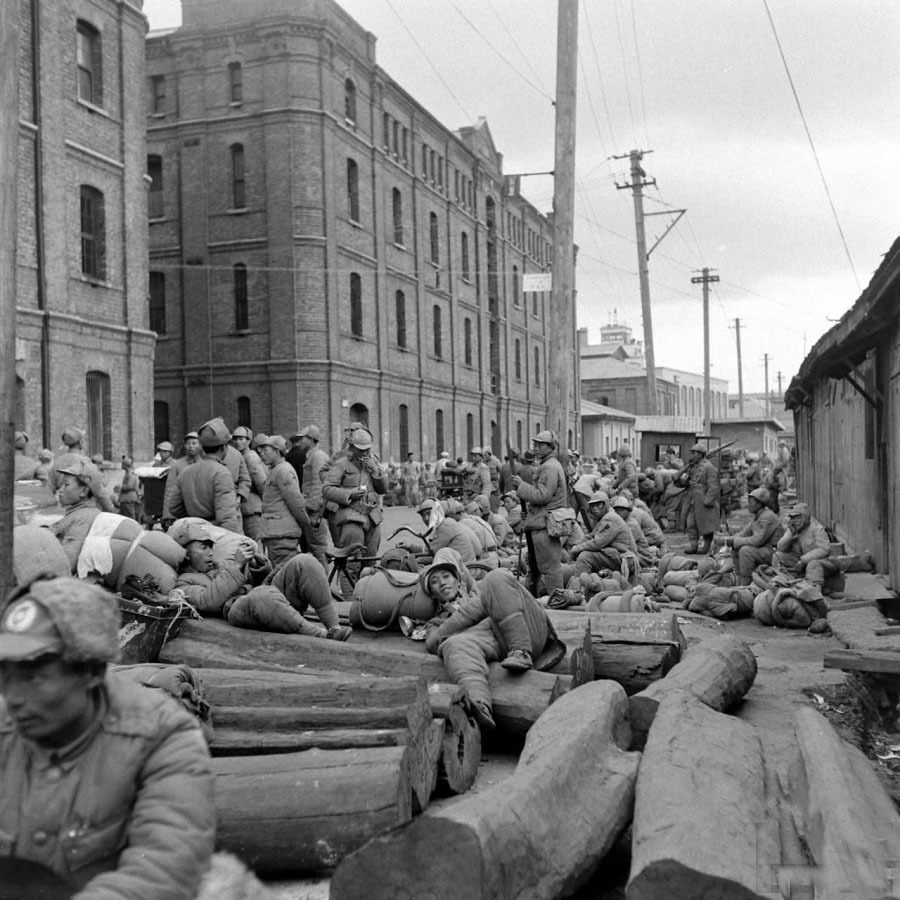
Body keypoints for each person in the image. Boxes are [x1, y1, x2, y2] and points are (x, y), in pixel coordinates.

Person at [0, 575, 215, 897]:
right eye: (4, 674)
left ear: (91, 672)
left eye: (33, 676)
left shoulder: (164, 738)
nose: (13, 696)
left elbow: (164, 869)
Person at [421, 550, 565, 731]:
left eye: (446, 576)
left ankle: (521, 650)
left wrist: (467, 613)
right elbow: (433, 642)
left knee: (495, 577)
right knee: (452, 644)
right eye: (434, 582)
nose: (442, 583)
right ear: (432, 594)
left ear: (458, 581)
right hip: (498, 646)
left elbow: (502, 591)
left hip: (530, 631)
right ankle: (478, 704)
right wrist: (463, 616)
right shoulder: (436, 622)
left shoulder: (483, 590)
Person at [174, 522, 350, 640]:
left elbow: (255, 583)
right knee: (261, 595)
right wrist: (236, 566)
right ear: (186, 554)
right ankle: (320, 635)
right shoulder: (184, 583)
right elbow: (208, 601)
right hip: (237, 610)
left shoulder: (220, 565)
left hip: (262, 600)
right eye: (203, 547)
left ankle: (333, 626)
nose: (210, 552)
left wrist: (257, 566)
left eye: (211, 547)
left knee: (304, 561)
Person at [322, 426, 388, 586]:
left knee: (370, 562)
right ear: (351, 448)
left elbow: (384, 489)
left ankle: (365, 599)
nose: (365, 453)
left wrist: (376, 472)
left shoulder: (374, 462)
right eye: (361, 450)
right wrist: (349, 493)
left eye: (367, 449)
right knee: (351, 564)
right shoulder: (340, 464)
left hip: (372, 519)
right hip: (351, 519)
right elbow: (327, 489)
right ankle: (350, 601)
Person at [512, 431, 568, 594]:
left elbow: (542, 495)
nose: (535, 448)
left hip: (545, 525)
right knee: (536, 567)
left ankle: (558, 600)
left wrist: (521, 486)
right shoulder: (547, 464)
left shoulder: (550, 467)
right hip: (540, 522)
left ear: (551, 447)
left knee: (550, 568)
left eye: (540, 445)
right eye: (535, 444)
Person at [164, 418, 242, 533]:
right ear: (224, 447)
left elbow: (174, 507)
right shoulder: (222, 473)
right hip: (216, 535)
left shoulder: (186, 471)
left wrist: (195, 519)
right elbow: (227, 518)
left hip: (194, 534)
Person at [256, 433, 317, 569]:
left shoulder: (283, 471)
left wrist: (307, 528)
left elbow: (296, 504)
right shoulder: (276, 470)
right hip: (276, 533)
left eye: (266, 450)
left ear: (278, 451)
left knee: (284, 574)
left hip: (282, 535)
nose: (262, 454)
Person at [774, 503, 839, 603]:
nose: (794, 521)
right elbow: (780, 548)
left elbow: (824, 549)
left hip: (823, 564)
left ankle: (816, 596)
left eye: (797, 517)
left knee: (813, 564)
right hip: (802, 565)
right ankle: (782, 583)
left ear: (804, 517)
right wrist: (790, 535)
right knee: (777, 556)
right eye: (792, 517)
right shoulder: (794, 530)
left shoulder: (817, 529)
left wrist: (804, 560)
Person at [563, 491, 636, 580]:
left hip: (625, 560)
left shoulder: (610, 518)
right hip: (616, 556)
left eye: (599, 505)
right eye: (593, 505)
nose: (595, 508)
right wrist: (577, 544)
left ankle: (580, 588)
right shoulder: (604, 518)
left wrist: (577, 549)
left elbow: (597, 543)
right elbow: (592, 535)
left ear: (605, 505)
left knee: (585, 557)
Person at [50, 460, 107, 572]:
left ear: (84, 491)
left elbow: (67, 564)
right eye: (61, 485)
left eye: (66, 485)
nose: (60, 490)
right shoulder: (77, 513)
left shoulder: (83, 519)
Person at [48, 427, 116, 513]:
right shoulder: (85, 462)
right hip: (83, 508)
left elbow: (49, 489)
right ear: (80, 442)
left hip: (63, 509)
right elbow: (98, 490)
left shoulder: (57, 462)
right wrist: (110, 510)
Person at [294, 425, 332, 569]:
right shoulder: (312, 456)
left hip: (315, 511)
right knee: (315, 548)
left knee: (319, 548)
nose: (300, 442)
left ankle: (324, 583)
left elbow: (318, 484)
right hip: (313, 509)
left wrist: (311, 508)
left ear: (310, 439)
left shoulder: (317, 456)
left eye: (303, 438)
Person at [730, 487, 784, 585]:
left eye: (751, 502)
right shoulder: (757, 515)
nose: (748, 505)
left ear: (759, 503)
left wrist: (736, 541)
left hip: (772, 551)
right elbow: (744, 532)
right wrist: (730, 540)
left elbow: (757, 541)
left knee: (745, 551)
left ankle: (746, 583)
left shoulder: (767, 517)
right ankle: (739, 578)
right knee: (735, 547)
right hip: (763, 549)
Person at [677, 443, 720, 554]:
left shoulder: (709, 467)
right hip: (691, 498)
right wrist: (682, 477)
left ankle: (706, 546)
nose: (694, 455)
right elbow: (684, 482)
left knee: (706, 525)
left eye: (696, 453)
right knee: (690, 524)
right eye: (693, 453)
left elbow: (713, 486)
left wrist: (708, 500)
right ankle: (693, 546)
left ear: (701, 454)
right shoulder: (692, 467)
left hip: (703, 499)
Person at [231, 425, 266, 541]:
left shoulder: (251, 457)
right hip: (243, 507)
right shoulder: (238, 456)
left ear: (249, 441)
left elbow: (261, 483)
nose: (237, 442)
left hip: (252, 508)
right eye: (235, 439)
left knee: (255, 543)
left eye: (241, 439)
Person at [417, 498, 478, 563]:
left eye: (429, 513)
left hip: (462, 568)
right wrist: (410, 547)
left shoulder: (445, 526)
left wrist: (414, 561)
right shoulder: (443, 524)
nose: (426, 518)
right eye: (423, 515)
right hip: (460, 564)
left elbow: (429, 554)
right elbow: (429, 550)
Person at [162, 431, 203, 522]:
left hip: (201, 510)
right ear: (184, 446)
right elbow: (170, 490)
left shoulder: (205, 464)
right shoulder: (177, 465)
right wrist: (168, 515)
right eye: (188, 443)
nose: (191, 446)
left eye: (194, 443)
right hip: (182, 510)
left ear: (200, 446)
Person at [114, 456, 142, 522]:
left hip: (128, 498)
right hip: (125, 499)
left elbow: (130, 485)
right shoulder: (127, 473)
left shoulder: (131, 474)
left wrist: (120, 487)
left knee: (130, 517)